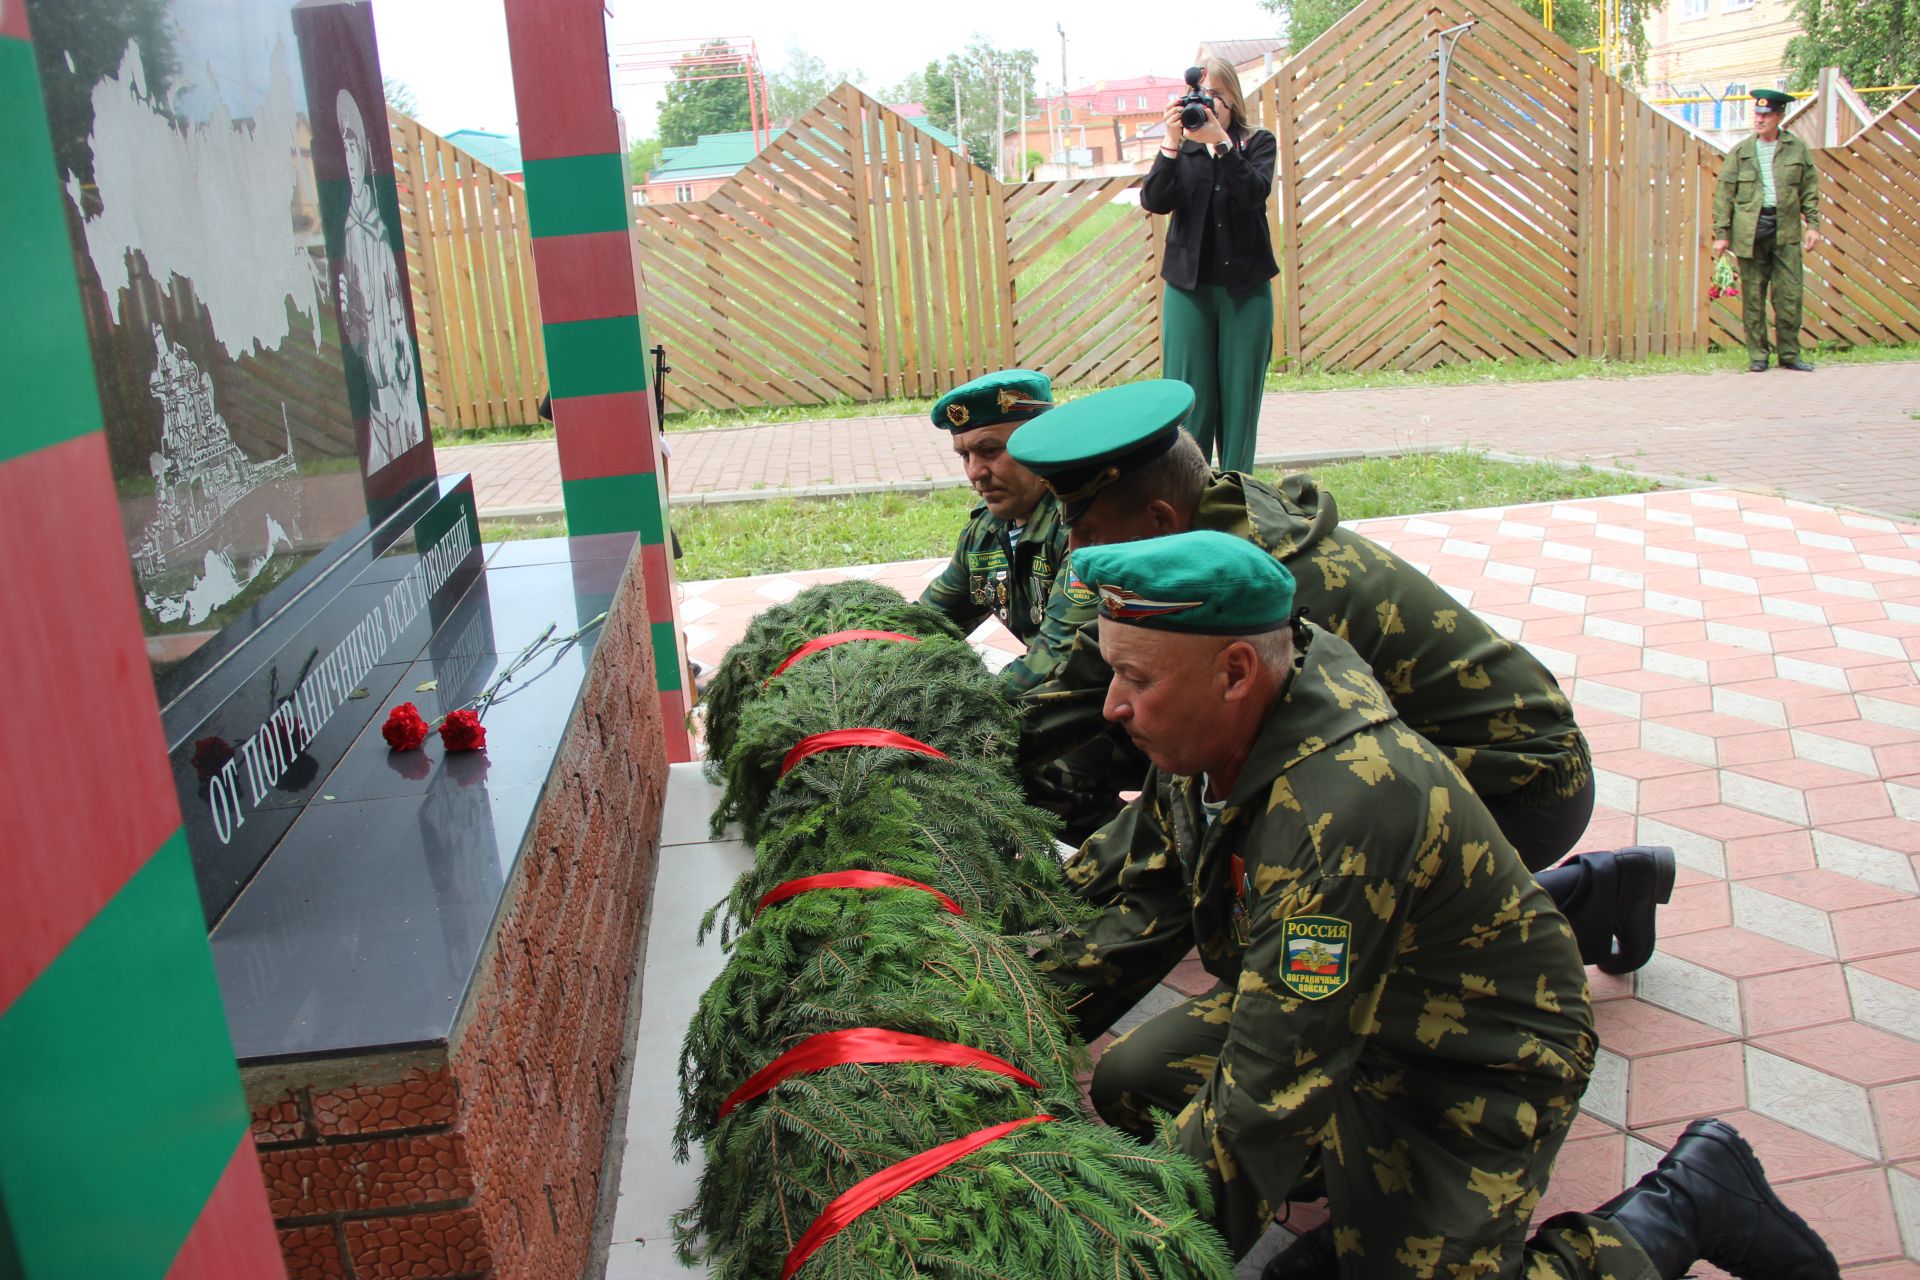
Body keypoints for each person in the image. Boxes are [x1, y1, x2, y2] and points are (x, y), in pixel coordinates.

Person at [1045, 529, 1839, 1280]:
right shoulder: (1205, 737)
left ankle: (1689, 1200)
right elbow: (1131, 902)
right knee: (1137, 1078)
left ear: (1236, 671)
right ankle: (1372, 1204)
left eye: (1137, 679)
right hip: (1353, 1010)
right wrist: (997, 1020)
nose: (1114, 705)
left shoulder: (1338, 813)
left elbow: (1269, 1088)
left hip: (1475, 1047)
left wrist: (1142, 1254)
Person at [1008, 379, 1671, 972]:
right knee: (1111, 745)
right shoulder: (1201, 535)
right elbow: (1074, 685)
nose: (1078, 555)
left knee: (1323, 934)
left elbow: (1279, 781)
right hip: (1433, 760)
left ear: (1158, 519)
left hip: (1518, 784)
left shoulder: (1263, 597)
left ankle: (1583, 897)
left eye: (1090, 533)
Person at [1142, 57, 1277, 473]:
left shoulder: (1256, 142)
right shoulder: (1180, 148)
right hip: (1188, 290)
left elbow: (1254, 193)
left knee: (1240, 404)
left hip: (1245, 290)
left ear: (1233, 99)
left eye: (1216, 94)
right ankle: (1188, 496)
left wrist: (1220, 142)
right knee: (1189, 401)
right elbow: (1155, 201)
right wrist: (1170, 141)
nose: (1206, 103)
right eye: (1198, 95)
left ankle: (1238, 496)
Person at [917, 370, 1071, 693]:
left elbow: (1062, 659)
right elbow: (927, 623)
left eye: (990, 451)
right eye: (965, 455)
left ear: (1041, 442)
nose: (975, 473)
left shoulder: (1081, 526)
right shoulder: (984, 533)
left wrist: (971, 701)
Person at [1712, 88, 1821, 373]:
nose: (1759, 120)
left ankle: (1789, 354)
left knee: (1789, 295)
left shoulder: (1796, 149)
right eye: (1757, 114)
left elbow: (1809, 189)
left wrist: (1813, 225)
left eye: (1766, 115)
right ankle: (1758, 356)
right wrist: (1722, 234)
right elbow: (1724, 194)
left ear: (1779, 116)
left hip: (1785, 231)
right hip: (1750, 233)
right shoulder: (1741, 152)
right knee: (1753, 296)